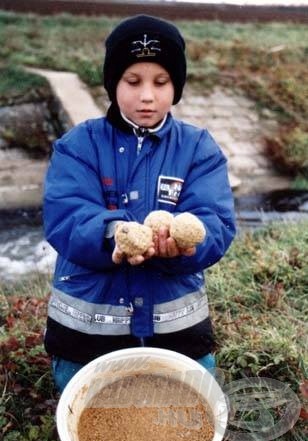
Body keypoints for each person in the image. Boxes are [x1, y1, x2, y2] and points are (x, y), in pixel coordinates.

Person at [43, 14, 236, 392]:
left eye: (161, 82)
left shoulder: (199, 148)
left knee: (183, 411)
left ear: (176, 87)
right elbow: (66, 216)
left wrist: (185, 242)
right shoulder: (78, 146)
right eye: (133, 81)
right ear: (113, 83)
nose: (147, 95)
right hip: (87, 335)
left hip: (176, 331)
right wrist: (114, 234)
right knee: (92, 414)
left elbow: (215, 221)